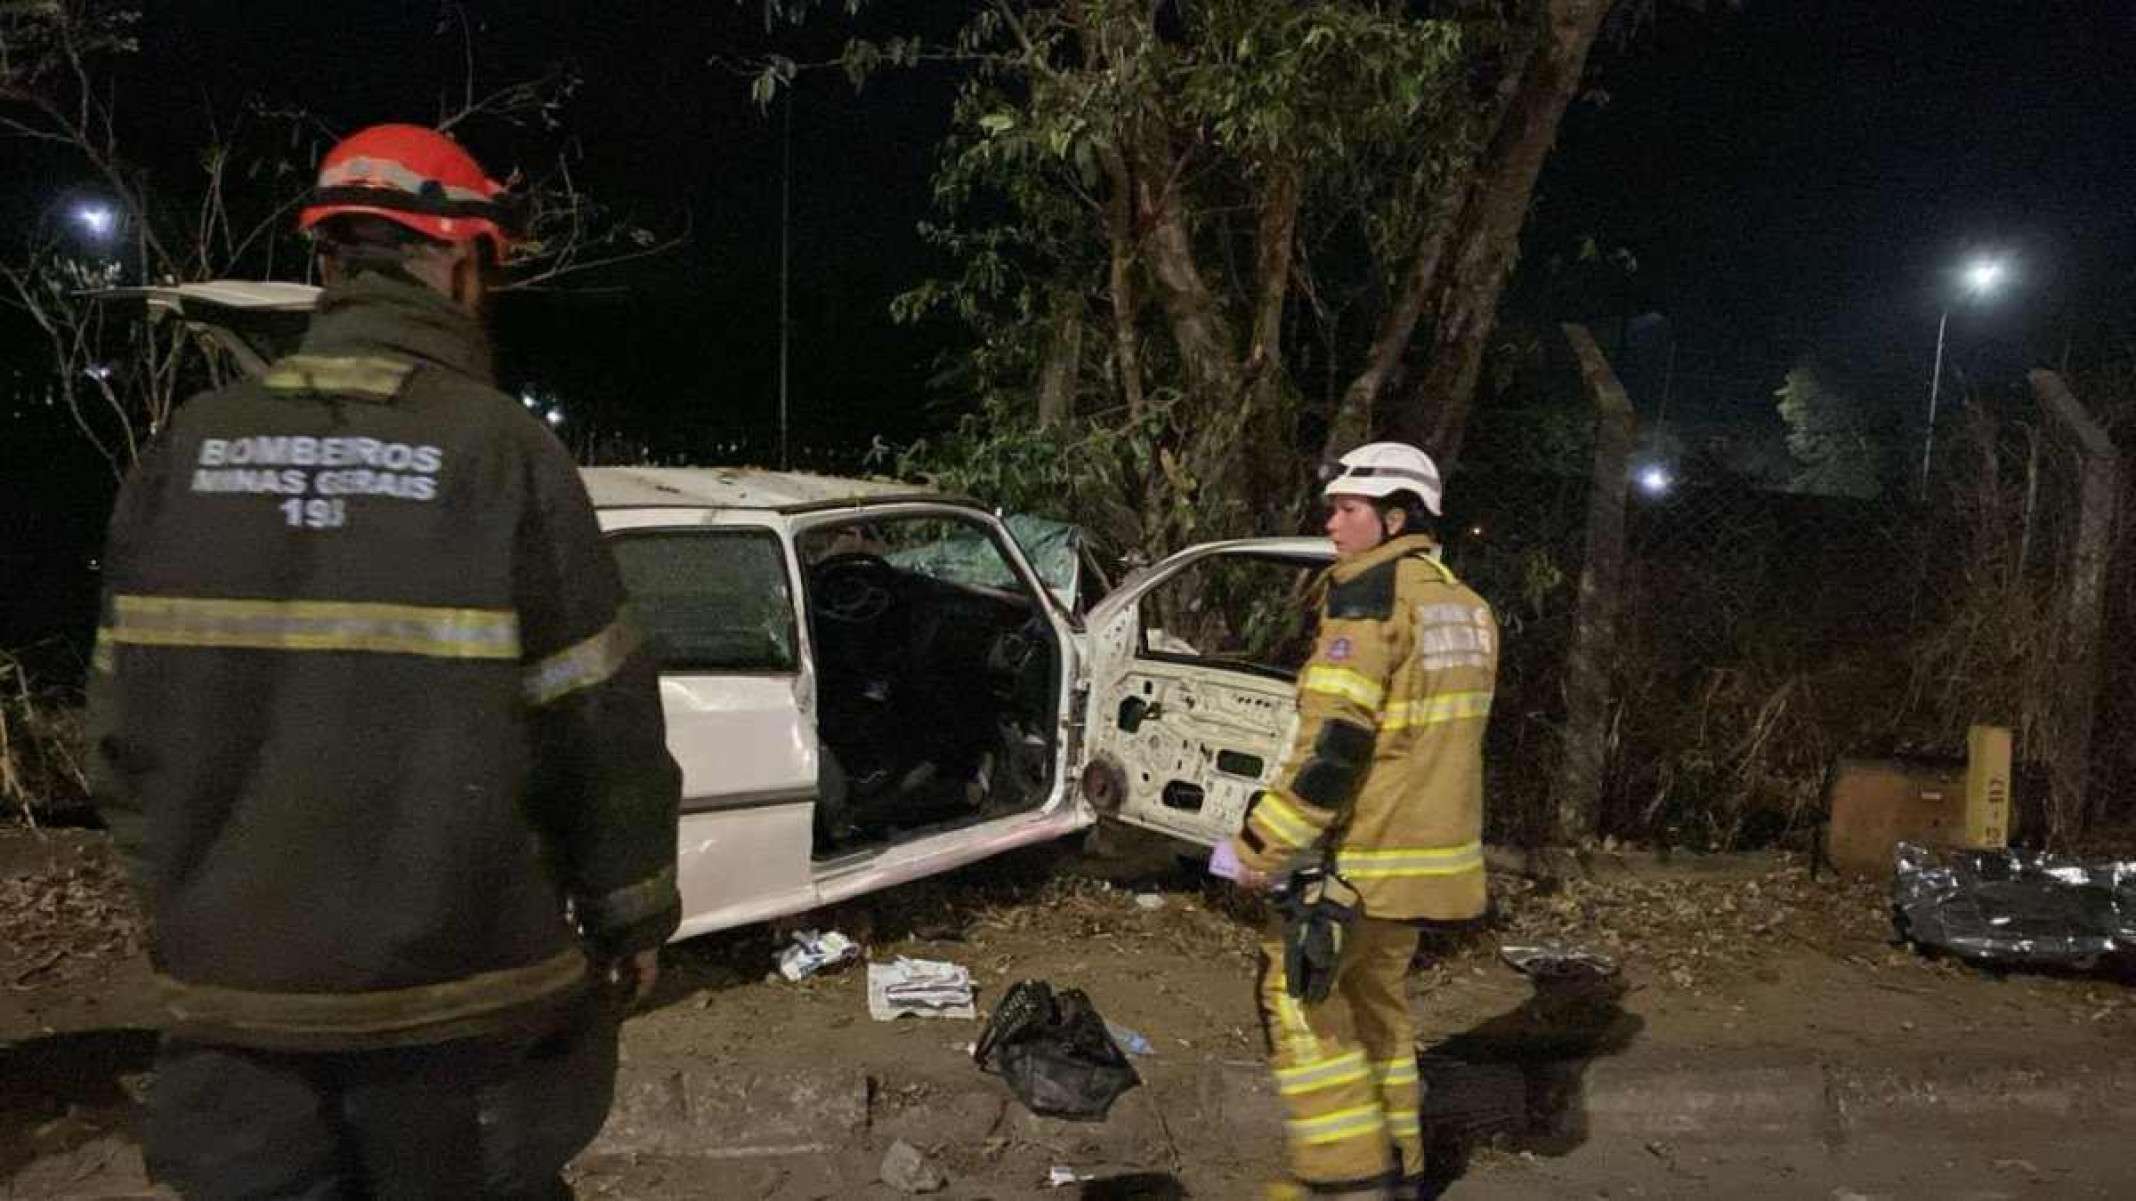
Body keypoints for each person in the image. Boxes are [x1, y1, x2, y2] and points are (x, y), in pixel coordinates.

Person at [85, 123, 681, 1200]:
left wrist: (206, 906)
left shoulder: (187, 450)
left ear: (327, 260)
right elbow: (601, 721)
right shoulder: (502, 454)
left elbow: (122, 734)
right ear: (462, 262)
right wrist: (633, 916)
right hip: (465, 1022)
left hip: (236, 1029)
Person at [1222, 442, 1499, 1200]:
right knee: (1378, 1004)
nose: (1333, 522)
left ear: (1395, 517)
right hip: (1432, 863)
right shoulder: (1467, 607)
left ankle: (1346, 1179)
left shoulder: (1370, 602)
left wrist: (1261, 841)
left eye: (1349, 509)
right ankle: (1403, 1171)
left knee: (1296, 995)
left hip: (1368, 859)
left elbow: (1335, 749)